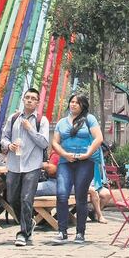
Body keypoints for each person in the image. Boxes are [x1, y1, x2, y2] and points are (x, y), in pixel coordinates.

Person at [0, 87, 51, 247]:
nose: (29, 100)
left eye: (33, 98)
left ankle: (23, 233)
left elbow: (44, 143)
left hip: (32, 165)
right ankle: (28, 223)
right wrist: (9, 145)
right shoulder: (13, 118)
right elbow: (4, 137)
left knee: (26, 199)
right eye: (27, 97)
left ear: (37, 102)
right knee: (12, 198)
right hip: (14, 164)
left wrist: (30, 129)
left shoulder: (41, 120)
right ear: (23, 99)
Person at [51, 94, 103, 244]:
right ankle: (62, 231)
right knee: (61, 194)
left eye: (77, 103)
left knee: (80, 196)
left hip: (85, 162)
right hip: (65, 161)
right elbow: (55, 142)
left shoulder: (89, 119)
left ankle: (80, 232)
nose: (73, 105)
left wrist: (88, 153)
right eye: (72, 102)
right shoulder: (62, 122)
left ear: (83, 105)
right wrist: (64, 155)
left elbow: (98, 138)